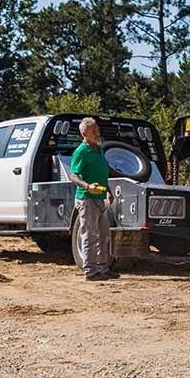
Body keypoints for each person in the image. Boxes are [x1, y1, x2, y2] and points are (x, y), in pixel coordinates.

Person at [67, 117, 119, 281]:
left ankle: (103, 269)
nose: (98, 132)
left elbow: (102, 174)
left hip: (100, 198)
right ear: (84, 134)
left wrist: (108, 191)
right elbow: (73, 176)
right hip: (86, 199)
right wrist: (87, 186)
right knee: (89, 235)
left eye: (97, 129)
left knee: (104, 234)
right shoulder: (81, 152)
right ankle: (90, 271)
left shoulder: (99, 149)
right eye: (94, 131)